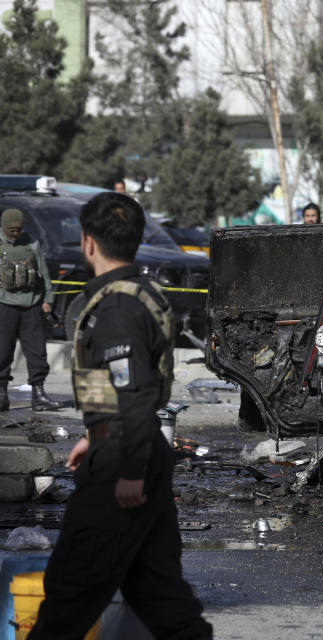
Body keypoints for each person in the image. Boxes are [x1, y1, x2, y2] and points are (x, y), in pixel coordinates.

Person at [29, 193, 212, 639]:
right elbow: (126, 388)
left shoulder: (116, 309)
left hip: (125, 464)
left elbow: (135, 391)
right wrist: (96, 432)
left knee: (69, 593)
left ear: (88, 243)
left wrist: (127, 466)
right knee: (158, 593)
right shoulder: (138, 293)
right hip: (133, 446)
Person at [0, 209, 61, 412]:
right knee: (2, 351)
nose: (15, 234)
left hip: (31, 304)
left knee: (37, 352)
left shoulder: (31, 244)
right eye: (11, 230)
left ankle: (39, 393)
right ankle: (1, 393)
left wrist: (48, 299)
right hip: (5, 305)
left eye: (18, 229)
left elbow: (44, 273)